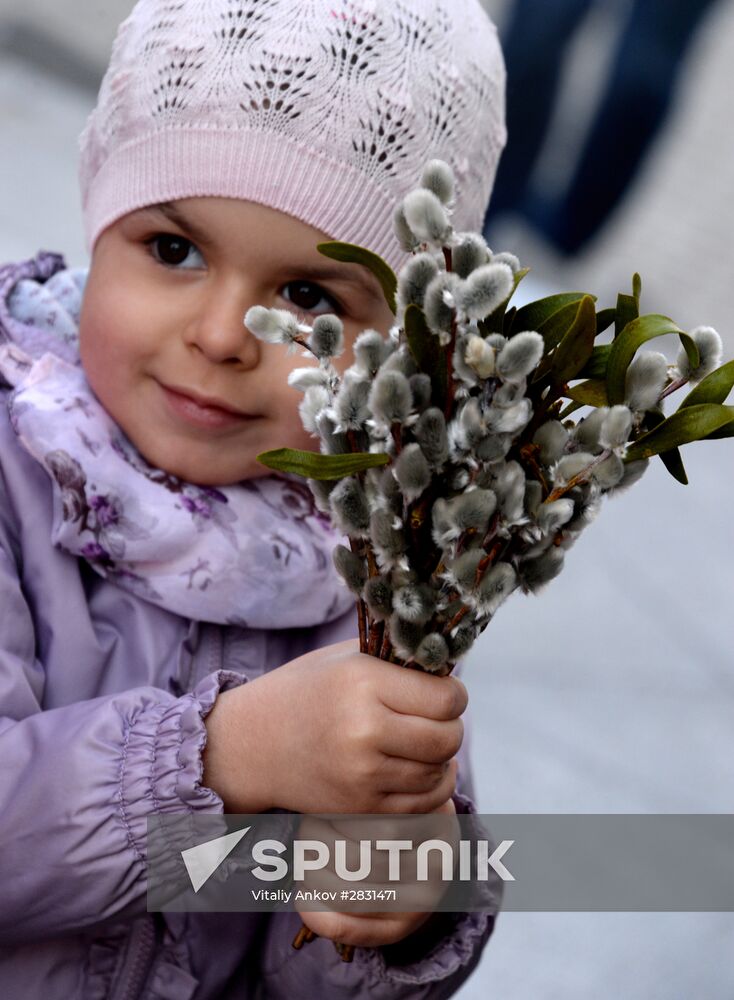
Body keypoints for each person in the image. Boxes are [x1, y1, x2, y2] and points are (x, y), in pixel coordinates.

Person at [0, 0, 507, 997]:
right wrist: (219, 754)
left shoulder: (369, 565)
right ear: (102, 217)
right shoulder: (16, 471)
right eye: (174, 250)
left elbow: (318, 965)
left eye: (310, 299)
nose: (225, 333)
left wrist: (397, 903)